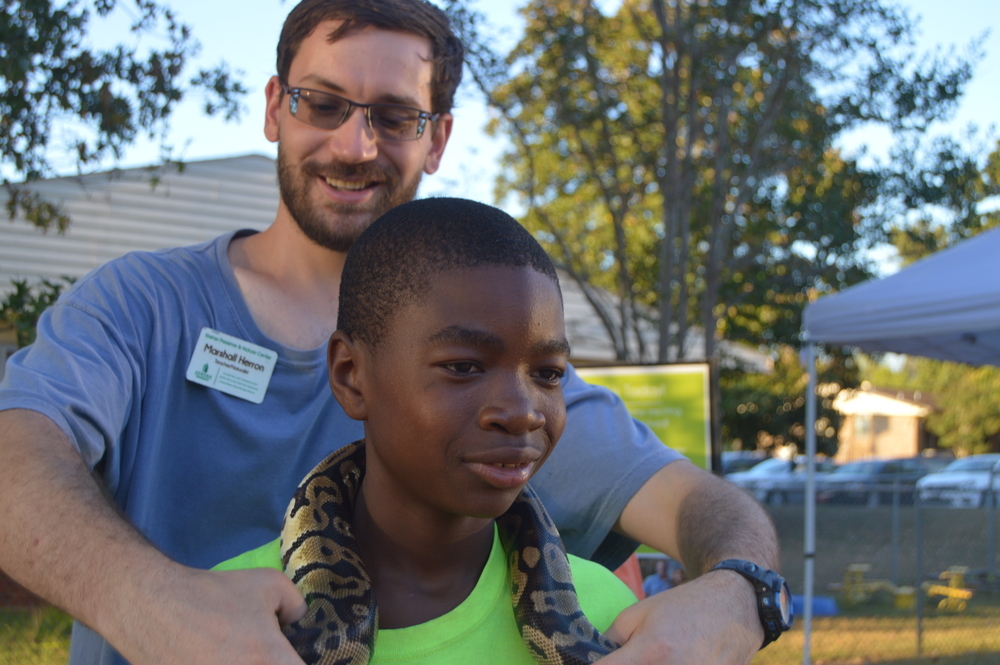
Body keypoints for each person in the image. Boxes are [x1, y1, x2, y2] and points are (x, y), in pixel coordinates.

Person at [0, 1, 782, 664]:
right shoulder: (142, 306)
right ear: (276, 106)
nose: (354, 145)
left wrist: (740, 592)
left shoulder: (504, 376)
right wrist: (147, 599)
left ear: (436, 138)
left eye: (395, 116)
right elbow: (14, 451)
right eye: (323, 102)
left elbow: (703, 506)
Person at [215, 197, 638, 663]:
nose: (523, 414)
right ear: (351, 374)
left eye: (549, 373)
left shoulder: (615, 615)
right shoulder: (221, 616)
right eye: (463, 366)